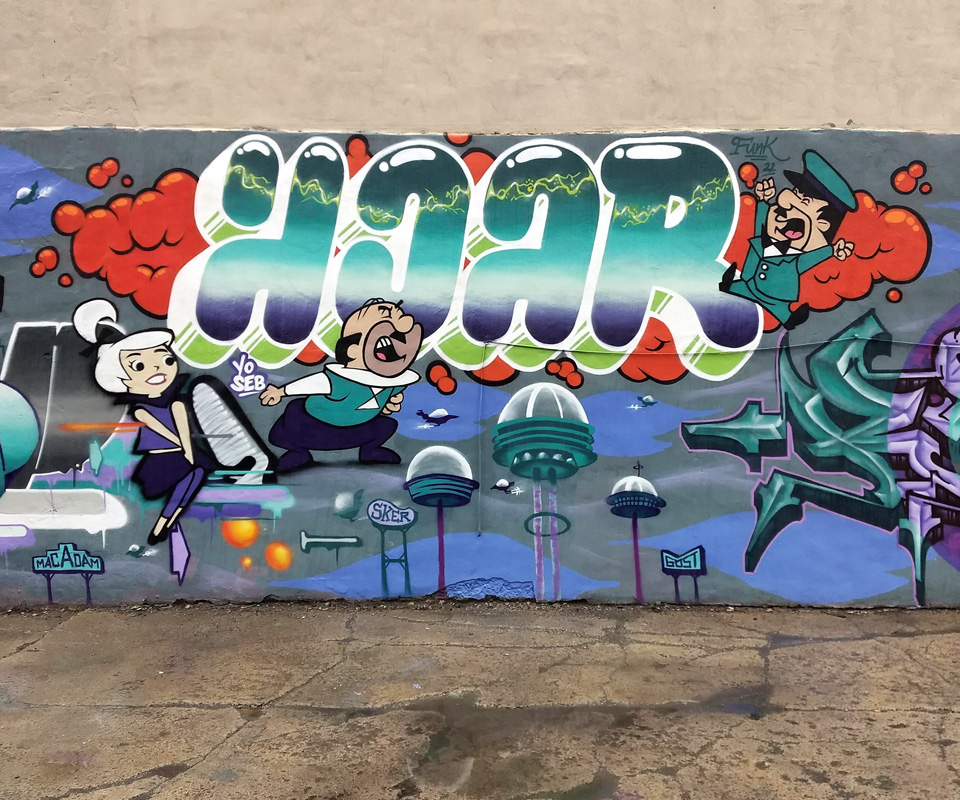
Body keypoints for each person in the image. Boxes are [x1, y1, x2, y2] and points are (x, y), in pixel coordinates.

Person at [74, 299, 215, 545]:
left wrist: (188, 449)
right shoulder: (141, 409)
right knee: (195, 471)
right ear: (124, 379)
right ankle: (165, 519)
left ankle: (167, 519)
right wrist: (182, 446)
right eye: (139, 365)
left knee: (198, 470)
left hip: (181, 454)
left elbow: (183, 426)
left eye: (166, 360)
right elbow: (162, 429)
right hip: (160, 460)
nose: (158, 369)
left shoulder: (177, 403)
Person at [260, 298, 423, 471]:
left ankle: (370, 451)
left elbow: (389, 400)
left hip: (358, 430)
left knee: (387, 424)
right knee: (294, 410)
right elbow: (314, 383)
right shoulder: (340, 380)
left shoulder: (394, 382)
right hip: (315, 427)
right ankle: (297, 452)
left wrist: (390, 404)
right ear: (352, 350)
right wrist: (281, 392)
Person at [720, 150, 857, 329]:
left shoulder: (795, 260)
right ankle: (730, 286)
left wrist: (832, 251)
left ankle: (789, 318)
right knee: (735, 287)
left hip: (777, 299)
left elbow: (811, 258)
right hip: (749, 284)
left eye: (804, 201)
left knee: (779, 309)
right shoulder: (764, 241)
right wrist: (763, 202)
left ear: (822, 224)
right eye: (796, 192)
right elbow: (760, 226)